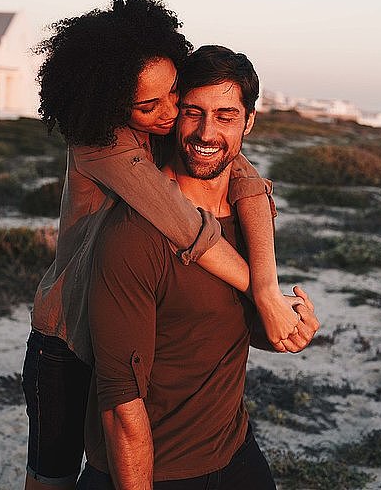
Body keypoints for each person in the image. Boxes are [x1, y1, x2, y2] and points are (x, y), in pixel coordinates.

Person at [22, 0, 306, 490]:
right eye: (148, 104)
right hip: (65, 336)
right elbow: (186, 227)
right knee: (54, 476)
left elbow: (244, 178)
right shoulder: (103, 141)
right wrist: (261, 292)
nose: (170, 113)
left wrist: (268, 289)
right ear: (112, 100)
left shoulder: (169, 130)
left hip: (120, 324)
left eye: (173, 93)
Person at [78, 45, 320, 489]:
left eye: (226, 116)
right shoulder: (137, 233)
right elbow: (120, 406)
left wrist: (281, 328)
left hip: (234, 450)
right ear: (174, 115)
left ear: (249, 121)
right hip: (154, 470)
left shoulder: (249, 216)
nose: (207, 133)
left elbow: (223, 325)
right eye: (193, 112)